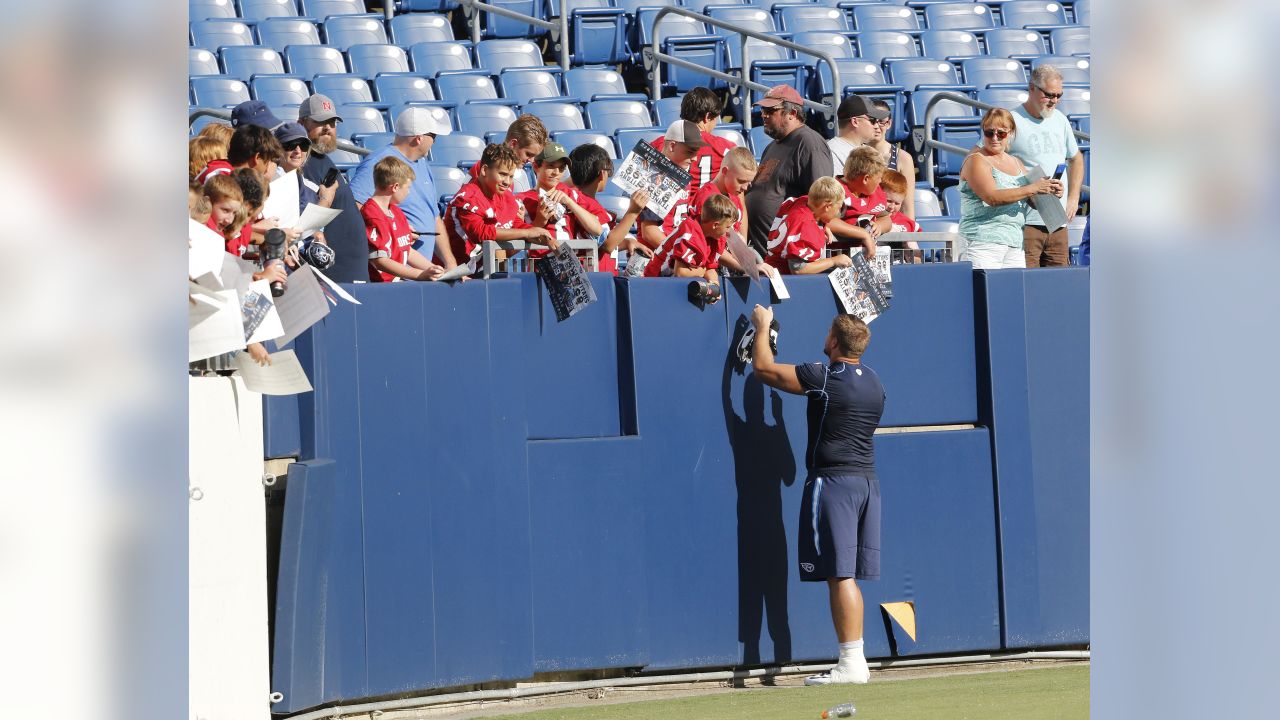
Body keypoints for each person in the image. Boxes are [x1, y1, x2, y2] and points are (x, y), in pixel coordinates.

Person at [748, 305, 886, 686]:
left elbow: (762, 368)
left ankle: (851, 664)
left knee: (840, 576)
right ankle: (854, 661)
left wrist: (762, 327)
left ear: (834, 341)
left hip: (834, 483)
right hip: (866, 484)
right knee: (847, 577)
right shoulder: (875, 381)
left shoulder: (825, 376)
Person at [347, 107, 454, 266]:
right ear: (419, 138)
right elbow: (354, 208)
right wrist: (395, 229)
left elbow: (433, 216)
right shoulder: (378, 162)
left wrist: (450, 263)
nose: (435, 141)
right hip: (393, 273)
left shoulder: (423, 164)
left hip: (421, 272)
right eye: (433, 136)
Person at [958, 108, 1062, 269]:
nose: (994, 138)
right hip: (981, 242)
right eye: (989, 132)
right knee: (984, 293)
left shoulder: (1016, 162)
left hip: (1014, 243)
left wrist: (1050, 190)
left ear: (1011, 133)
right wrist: (1033, 188)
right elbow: (992, 197)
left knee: (1012, 294)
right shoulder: (976, 160)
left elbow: (1033, 201)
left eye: (1001, 133)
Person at [745, 85, 834, 258]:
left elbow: (823, 198)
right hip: (765, 253)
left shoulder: (809, 143)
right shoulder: (772, 146)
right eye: (763, 110)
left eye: (771, 110)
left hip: (789, 256)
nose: (763, 115)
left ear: (792, 113)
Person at [1008, 65, 1084, 268]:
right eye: (1049, 95)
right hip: (1024, 221)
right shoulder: (1011, 121)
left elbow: (1076, 158)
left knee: (1058, 288)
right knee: (1025, 287)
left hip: (1057, 222)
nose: (1055, 101)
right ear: (1032, 88)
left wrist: (1074, 197)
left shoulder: (1060, 119)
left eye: (1059, 95)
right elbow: (989, 158)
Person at [443, 143, 554, 274]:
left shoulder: (507, 197)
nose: (507, 182)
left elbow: (515, 224)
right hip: (449, 274)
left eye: (511, 176)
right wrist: (528, 233)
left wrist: (539, 232)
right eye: (502, 174)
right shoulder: (467, 197)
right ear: (484, 170)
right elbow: (481, 233)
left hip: (477, 272)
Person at [296, 93, 369, 282]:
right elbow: (305, 223)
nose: (328, 128)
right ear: (301, 123)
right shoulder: (303, 163)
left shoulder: (321, 159)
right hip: (330, 274)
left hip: (349, 269)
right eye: (320, 122)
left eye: (332, 123)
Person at [363, 156, 446, 283]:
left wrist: (436, 271)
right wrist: (420, 274)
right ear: (395, 187)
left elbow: (407, 250)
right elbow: (380, 261)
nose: (408, 192)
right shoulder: (372, 215)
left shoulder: (397, 212)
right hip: (380, 288)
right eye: (408, 187)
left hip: (398, 284)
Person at [516, 142, 604, 259]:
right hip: (538, 265)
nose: (556, 172)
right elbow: (518, 239)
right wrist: (540, 221)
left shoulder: (571, 194)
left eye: (561, 168)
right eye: (551, 166)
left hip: (570, 265)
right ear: (536, 167)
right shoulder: (522, 199)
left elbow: (597, 230)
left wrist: (569, 202)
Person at [565, 143, 638, 274]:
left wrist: (626, 243)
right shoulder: (587, 203)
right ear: (602, 174)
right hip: (595, 279)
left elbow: (598, 245)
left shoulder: (579, 199)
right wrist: (633, 212)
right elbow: (608, 244)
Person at [634, 120, 704, 251]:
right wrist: (677, 253)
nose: (695, 158)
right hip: (654, 260)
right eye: (690, 152)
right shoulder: (656, 177)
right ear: (672, 146)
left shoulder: (679, 174)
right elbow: (649, 232)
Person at [643, 193, 738, 286]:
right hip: (656, 280)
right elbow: (681, 273)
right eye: (728, 227)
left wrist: (714, 284)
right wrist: (702, 271)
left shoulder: (714, 237)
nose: (729, 232)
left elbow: (710, 268)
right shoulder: (690, 234)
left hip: (674, 281)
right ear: (715, 225)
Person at [763, 177, 850, 275]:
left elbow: (810, 215)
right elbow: (798, 270)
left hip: (772, 264)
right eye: (838, 208)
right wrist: (833, 261)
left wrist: (822, 226)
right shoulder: (805, 226)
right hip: (781, 278)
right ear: (827, 206)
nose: (838, 213)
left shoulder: (802, 201)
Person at [668, 86, 739, 195]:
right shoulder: (726, 147)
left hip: (674, 208)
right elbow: (738, 186)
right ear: (707, 116)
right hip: (707, 209)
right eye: (716, 119)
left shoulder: (663, 142)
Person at [829, 146, 891, 258]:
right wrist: (862, 234)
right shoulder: (835, 191)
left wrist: (879, 226)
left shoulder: (876, 192)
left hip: (868, 257)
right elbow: (828, 221)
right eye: (879, 178)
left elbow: (886, 219)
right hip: (839, 257)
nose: (880, 181)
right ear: (866, 179)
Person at [466, 114, 548, 194]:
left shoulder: (509, 173)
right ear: (513, 144)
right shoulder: (482, 168)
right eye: (528, 154)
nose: (531, 160)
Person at [866, 99, 917, 219]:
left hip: (894, 225)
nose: (877, 126)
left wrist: (910, 237)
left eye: (881, 122)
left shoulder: (903, 158)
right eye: (872, 121)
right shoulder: (856, 155)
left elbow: (907, 206)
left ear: (889, 124)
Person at [690, 146, 756, 236]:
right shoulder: (708, 200)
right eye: (741, 181)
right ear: (725, 171)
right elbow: (704, 244)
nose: (745, 188)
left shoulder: (733, 193)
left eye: (749, 182)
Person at [826, 95, 888, 175]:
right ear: (855, 122)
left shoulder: (868, 150)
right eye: (873, 120)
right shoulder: (832, 152)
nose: (876, 126)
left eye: (879, 121)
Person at [878, 169, 921, 251]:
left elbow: (917, 236)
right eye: (889, 201)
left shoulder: (907, 222)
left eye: (897, 203)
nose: (892, 206)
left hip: (902, 260)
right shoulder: (872, 217)